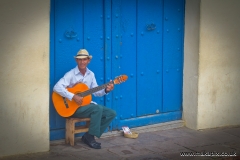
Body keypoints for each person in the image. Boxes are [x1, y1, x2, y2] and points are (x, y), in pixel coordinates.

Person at [53, 49, 116, 149]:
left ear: (88, 61)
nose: (82, 62)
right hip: (72, 108)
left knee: (111, 113)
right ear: (76, 61)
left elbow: (96, 92)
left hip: (85, 106)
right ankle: (91, 138)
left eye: (84, 59)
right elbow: (57, 87)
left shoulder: (91, 74)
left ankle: (88, 135)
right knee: (97, 109)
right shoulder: (71, 74)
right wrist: (73, 96)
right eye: (79, 59)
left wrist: (106, 90)